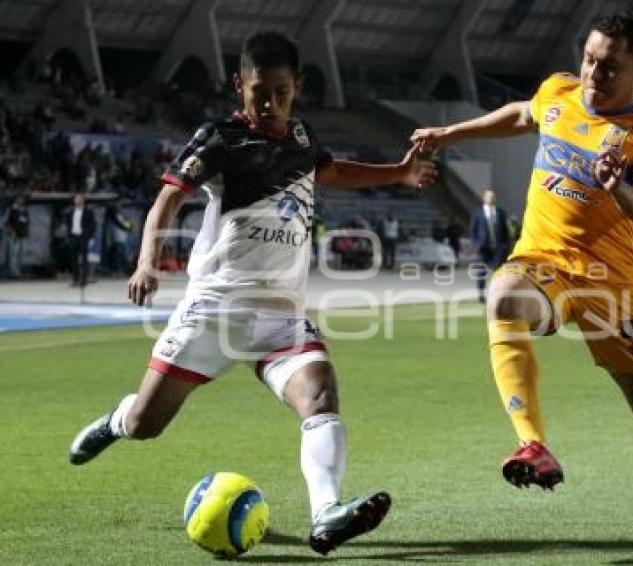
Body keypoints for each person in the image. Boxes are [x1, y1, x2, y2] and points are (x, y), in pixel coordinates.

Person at [68, 31, 437, 556]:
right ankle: (116, 421)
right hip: (214, 310)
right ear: (239, 85)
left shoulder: (303, 140)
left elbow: (333, 170)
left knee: (321, 394)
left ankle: (326, 514)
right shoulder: (220, 138)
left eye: (281, 92)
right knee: (147, 424)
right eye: (259, 92)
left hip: (281, 318)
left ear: (297, 87)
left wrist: (398, 173)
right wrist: (148, 259)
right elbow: (167, 199)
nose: (269, 104)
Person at [411, 12, 633, 529]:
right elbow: (521, 115)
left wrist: (615, 185)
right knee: (503, 295)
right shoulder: (559, 89)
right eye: (590, 59)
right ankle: (532, 443)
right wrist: (449, 134)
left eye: (610, 68)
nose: (594, 75)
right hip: (545, 265)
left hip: (613, 286)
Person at [470, 189, 510, 303]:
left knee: (498, 272)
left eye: (493, 197)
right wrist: (476, 245)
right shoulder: (478, 214)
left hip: (498, 248)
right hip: (483, 248)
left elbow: (505, 230)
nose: (491, 199)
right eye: (488, 196)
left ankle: (498, 293)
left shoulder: (500, 212)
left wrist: (506, 245)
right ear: (484, 198)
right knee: (481, 272)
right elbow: (473, 230)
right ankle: (481, 294)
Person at [64, 193, 96, 286]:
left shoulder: (88, 211)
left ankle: (83, 280)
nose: (77, 201)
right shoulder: (71, 212)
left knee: (84, 259)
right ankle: (75, 279)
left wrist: (88, 235)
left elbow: (92, 225)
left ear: (83, 200)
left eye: (79, 199)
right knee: (74, 259)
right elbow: (68, 224)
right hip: (74, 236)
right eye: (76, 199)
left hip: (83, 237)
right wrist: (69, 234)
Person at [103, 200, 133, 276]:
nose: (119, 207)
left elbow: (129, 224)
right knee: (119, 256)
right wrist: (126, 228)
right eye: (117, 206)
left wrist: (129, 227)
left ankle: (123, 271)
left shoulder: (122, 216)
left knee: (123, 256)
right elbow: (120, 225)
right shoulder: (112, 217)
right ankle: (119, 271)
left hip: (123, 239)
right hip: (116, 240)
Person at [3, 193, 29, 278]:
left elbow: (26, 222)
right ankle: (13, 272)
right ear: (15, 200)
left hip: (22, 234)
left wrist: (26, 232)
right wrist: (11, 232)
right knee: (13, 254)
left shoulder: (24, 210)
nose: (21, 200)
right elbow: (5, 223)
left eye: (22, 199)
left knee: (20, 254)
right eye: (19, 199)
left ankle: (18, 271)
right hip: (13, 235)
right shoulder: (11, 209)